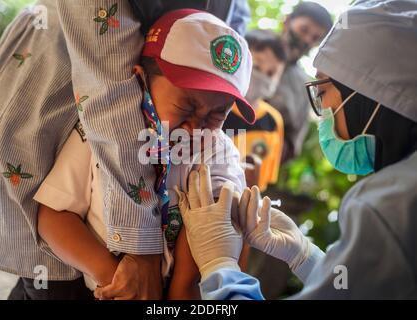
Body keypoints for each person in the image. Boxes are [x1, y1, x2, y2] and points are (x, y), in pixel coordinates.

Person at [0, 0, 248, 300]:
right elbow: (52, 215)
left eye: (217, 115)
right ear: (140, 80)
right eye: (187, 107)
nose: (196, 127)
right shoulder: (92, 137)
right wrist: (114, 278)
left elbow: (211, 227)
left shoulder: (216, 152)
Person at [176, 0, 417, 299]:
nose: (322, 113)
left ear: (367, 98)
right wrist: (306, 256)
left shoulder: (393, 210)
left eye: (323, 93)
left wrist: (221, 267)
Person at [269, 2, 332, 163]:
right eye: (304, 30)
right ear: (287, 21)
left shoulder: (305, 86)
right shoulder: (248, 48)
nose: (306, 40)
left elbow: (292, 144)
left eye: (315, 38)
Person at [223, 29, 286, 190]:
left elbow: (264, 181)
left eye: (271, 73)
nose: (263, 77)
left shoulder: (274, 121)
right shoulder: (218, 108)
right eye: (257, 67)